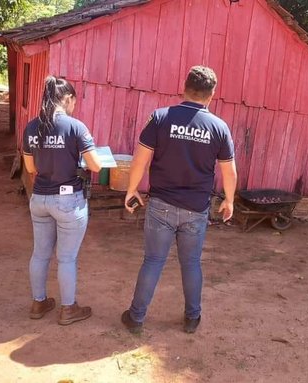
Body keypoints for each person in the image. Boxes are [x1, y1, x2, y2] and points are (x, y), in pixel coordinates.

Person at [121, 66, 237, 334]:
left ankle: (136, 317)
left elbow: (140, 158)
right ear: (212, 95)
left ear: (184, 87)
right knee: (192, 263)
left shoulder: (160, 118)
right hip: (196, 209)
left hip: (161, 205)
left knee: (153, 261)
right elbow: (229, 170)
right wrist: (229, 200)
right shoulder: (219, 127)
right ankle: (192, 318)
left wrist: (132, 189)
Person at [22, 76, 102, 325]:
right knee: (66, 258)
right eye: (73, 102)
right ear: (67, 98)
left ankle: (38, 303)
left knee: (40, 254)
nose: (73, 107)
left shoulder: (31, 127)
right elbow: (96, 166)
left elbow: (31, 167)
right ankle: (68, 309)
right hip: (68, 202)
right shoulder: (76, 127)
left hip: (40, 199)